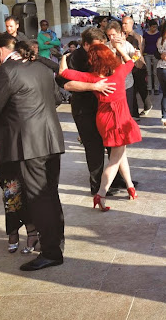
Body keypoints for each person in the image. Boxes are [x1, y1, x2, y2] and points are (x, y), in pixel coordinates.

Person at [0, 33, 66, 271]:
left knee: (39, 198)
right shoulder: (40, 67)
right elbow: (57, 99)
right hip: (51, 139)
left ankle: (51, 252)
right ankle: (56, 242)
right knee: (50, 194)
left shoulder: (7, 71)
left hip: (29, 144)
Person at [59, 42, 142, 211]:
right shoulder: (119, 73)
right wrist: (120, 49)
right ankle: (101, 194)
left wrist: (63, 57)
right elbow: (132, 61)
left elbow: (63, 73)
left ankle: (130, 186)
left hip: (103, 119)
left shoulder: (93, 78)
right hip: (119, 120)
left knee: (120, 154)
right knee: (114, 160)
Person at [123, 16, 151, 116]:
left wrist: (132, 62)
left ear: (131, 24)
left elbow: (137, 52)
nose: (123, 26)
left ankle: (136, 112)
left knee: (137, 88)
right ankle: (142, 108)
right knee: (138, 88)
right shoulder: (125, 36)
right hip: (133, 65)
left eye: (125, 23)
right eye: (123, 23)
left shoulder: (134, 37)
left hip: (137, 65)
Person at [142, 19, 161, 95]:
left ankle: (156, 88)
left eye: (155, 27)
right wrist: (142, 53)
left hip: (155, 54)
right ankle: (149, 87)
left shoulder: (158, 34)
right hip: (147, 54)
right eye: (153, 27)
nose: (154, 29)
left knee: (155, 72)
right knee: (148, 72)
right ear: (149, 27)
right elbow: (143, 44)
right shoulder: (145, 34)